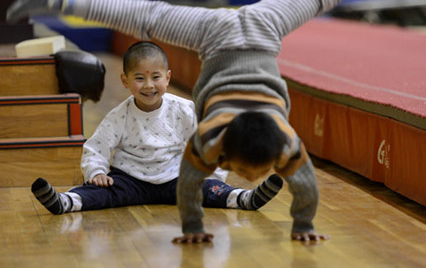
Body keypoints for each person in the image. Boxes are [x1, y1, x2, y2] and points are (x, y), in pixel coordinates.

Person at [8, 0, 426, 243]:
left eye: (249, 176)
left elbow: (203, 188)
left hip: (238, 30)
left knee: (144, 15)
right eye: (248, 174)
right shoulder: (219, 135)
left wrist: (297, 224)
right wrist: (294, 224)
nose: (248, 176)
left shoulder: (255, 140)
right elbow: (292, 189)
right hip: (239, 30)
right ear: (226, 155)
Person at [31, 41, 283, 215]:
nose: (148, 85)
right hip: (130, 179)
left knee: (207, 190)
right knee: (101, 192)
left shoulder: (185, 110)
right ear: (125, 81)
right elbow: (96, 147)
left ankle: (243, 199)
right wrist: (96, 171)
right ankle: (66, 202)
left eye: (156, 77)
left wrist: (212, 176)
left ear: (168, 78)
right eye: (139, 78)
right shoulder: (119, 115)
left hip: (176, 177)